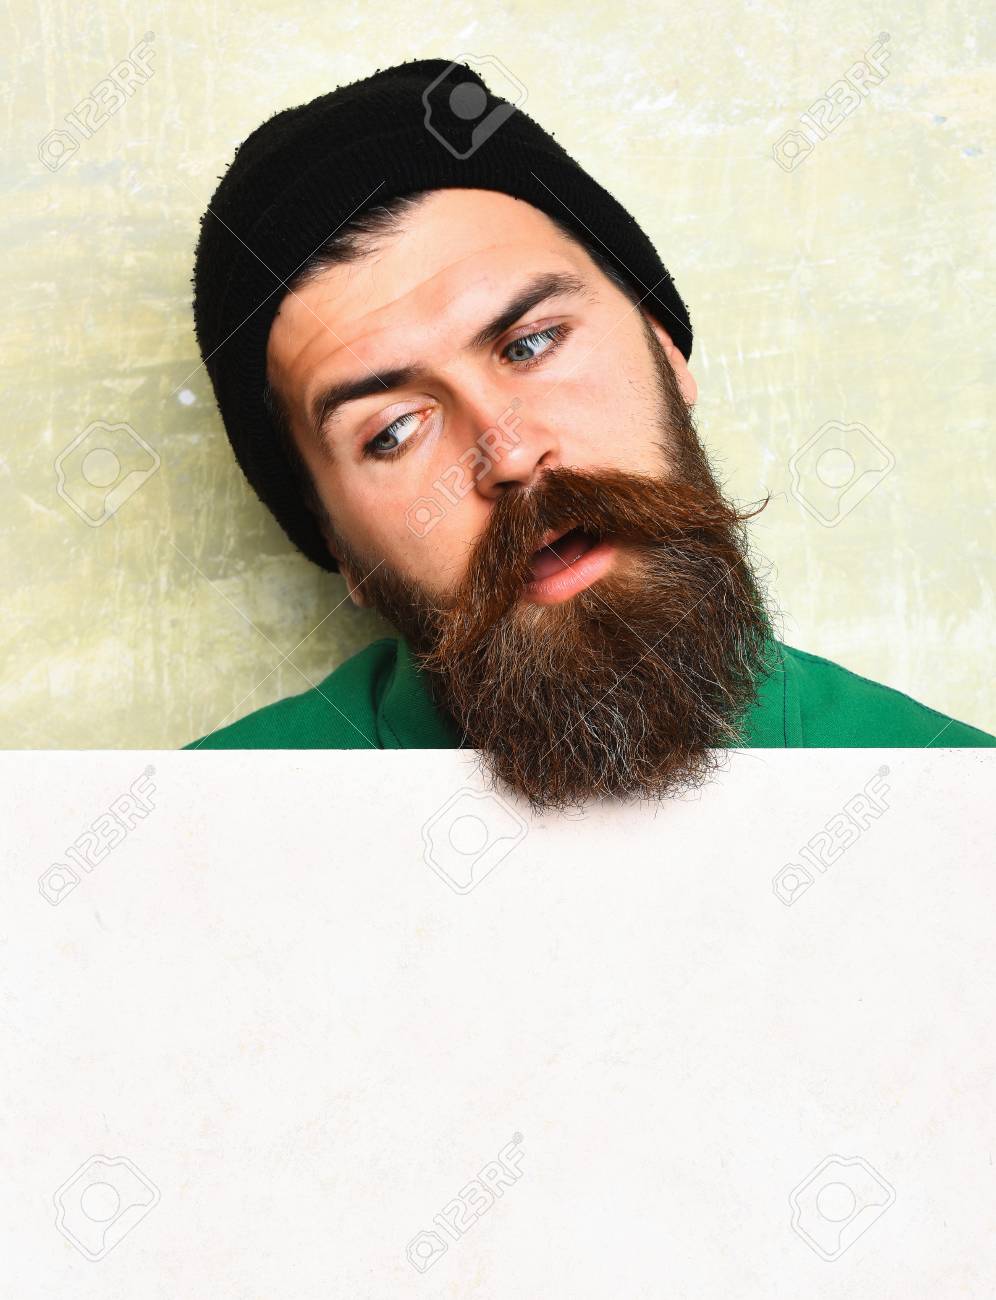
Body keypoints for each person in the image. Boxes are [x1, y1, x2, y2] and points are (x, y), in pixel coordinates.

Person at [185, 58, 993, 811]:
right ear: (335, 541)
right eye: (393, 431)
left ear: (664, 348)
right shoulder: (192, 840)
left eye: (532, 344)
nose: (506, 455)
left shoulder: (955, 805)